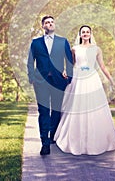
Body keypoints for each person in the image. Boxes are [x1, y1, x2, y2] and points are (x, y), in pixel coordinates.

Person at [54, 25, 115, 155]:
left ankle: (97, 140)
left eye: (87, 32)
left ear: (90, 34)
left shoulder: (96, 49)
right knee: (77, 106)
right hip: (78, 79)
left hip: (92, 79)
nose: (85, 34)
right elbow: (71, 64)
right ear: (80, 34)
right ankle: (74, 139)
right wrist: (65, 71)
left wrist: (112, 81)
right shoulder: (75, 49)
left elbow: (102, 66)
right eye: (83, 32)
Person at [27, 15, 73, 155]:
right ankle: (44, 143)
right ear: (43, 26)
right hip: (41, 82)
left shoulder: (62, 41)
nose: (50, 24)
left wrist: (68, 78)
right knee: (43, 111)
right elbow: (30, 61)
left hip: (58, 81)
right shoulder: (36, 43)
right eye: (47, 22)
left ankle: (53, 136)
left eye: (52, 22)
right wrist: (32, 78)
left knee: (57, 110)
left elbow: (69, 61)